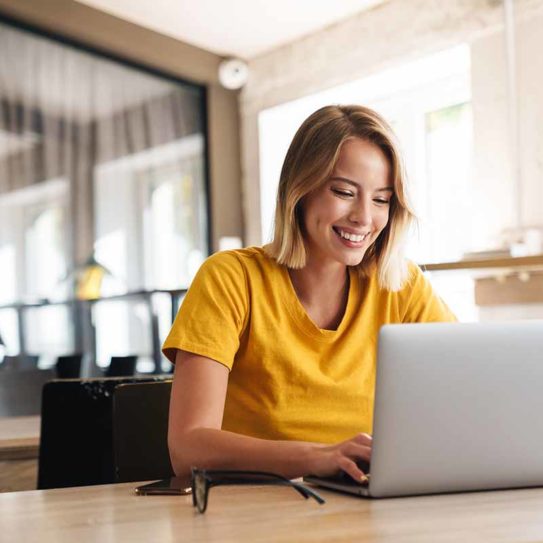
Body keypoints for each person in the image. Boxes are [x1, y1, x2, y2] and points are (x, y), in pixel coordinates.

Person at [162, 105, 456, 483]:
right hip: (254, 513)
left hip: (363, 506)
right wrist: (316, 457)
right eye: (344, 192)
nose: (364, 218)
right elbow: (187, 449)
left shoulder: (401, 285)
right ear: (300, 190)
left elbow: (467, 393)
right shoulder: (231, 279)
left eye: (381, 199)